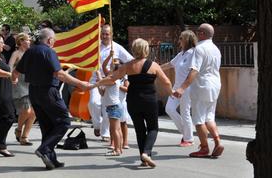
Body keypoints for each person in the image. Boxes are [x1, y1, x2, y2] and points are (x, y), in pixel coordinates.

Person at [11, 28, 92, 170]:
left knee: (47, 126)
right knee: (64, 121)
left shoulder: (30, 51)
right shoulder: (49, 51)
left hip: (34, 92)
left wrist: (14, 79)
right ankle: (44, 149)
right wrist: (80, 84)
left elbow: (16, 71)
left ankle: (51, 160)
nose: (54, 42)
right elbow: (59, 74)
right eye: (53, 40)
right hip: (48, 91)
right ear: (49, 40)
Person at [94, 38, 173, 168]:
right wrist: (172, 93)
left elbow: (111, 78)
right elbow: (166, 82)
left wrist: (95, 84)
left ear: (134, 50)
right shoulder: (153, 65)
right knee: (153, 128)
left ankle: (143, 158)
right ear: (146, 49)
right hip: (149, 100)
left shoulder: (128, 65)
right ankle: (146, 153)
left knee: (140, 130)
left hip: (133, 100)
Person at [174, 23, 224, 158]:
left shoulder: (199, 49)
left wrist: (182, 87)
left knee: (198, 119)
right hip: (215, 85)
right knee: (209, 116)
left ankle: (204, 148)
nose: (196, 34)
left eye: (197, 31)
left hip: (202, 86)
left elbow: (194, 70)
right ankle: (217, 141)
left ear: (202, 33)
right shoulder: (216, 49)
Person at [89, 24, 133, 141]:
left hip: (111, 80)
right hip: (96, 78)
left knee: (108, 106)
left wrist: (122, 72)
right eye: (102, 33)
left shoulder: (117, 47)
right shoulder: (95, 47)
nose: (104, 36)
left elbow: (130, 60)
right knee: (94, 103)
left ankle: (105, 133)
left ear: (111, 35)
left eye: (107, 34)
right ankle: (97, 125)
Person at [161, 30, 197, 147]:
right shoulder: (180, 54)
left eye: (181, 38)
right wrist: (154, 68)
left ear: (187, 40)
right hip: (176, 87)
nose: (179, 40)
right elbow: (169, 65)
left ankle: (189, 139)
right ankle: (186, 133)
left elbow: (193, 71)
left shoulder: (193, 53)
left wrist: (183, 88)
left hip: (187, 88)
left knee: (185, 111)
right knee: (169, 109)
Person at [8, 33, 36, 146]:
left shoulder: (30, 54)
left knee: (34, 112)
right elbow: (9, 67)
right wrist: (12, 77)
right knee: (27, 110)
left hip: (31, 84)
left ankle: (24, 137)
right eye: (27, 40)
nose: (29, 42)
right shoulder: (16, 53)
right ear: (21, 42)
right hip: (19, 84)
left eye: (29, 40)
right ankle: (19, 129)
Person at [99, 56, 124, 156]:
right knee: (117, 129)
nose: (109, 68)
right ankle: (119, 148)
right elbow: (102, 92)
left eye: (112, 67)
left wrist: (98, 77)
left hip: (114, 106)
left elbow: (102, 82)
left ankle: (117, 150)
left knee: (115, 130)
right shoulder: (111, 78)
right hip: (112, 106)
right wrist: (98, 84)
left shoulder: (113, 79)